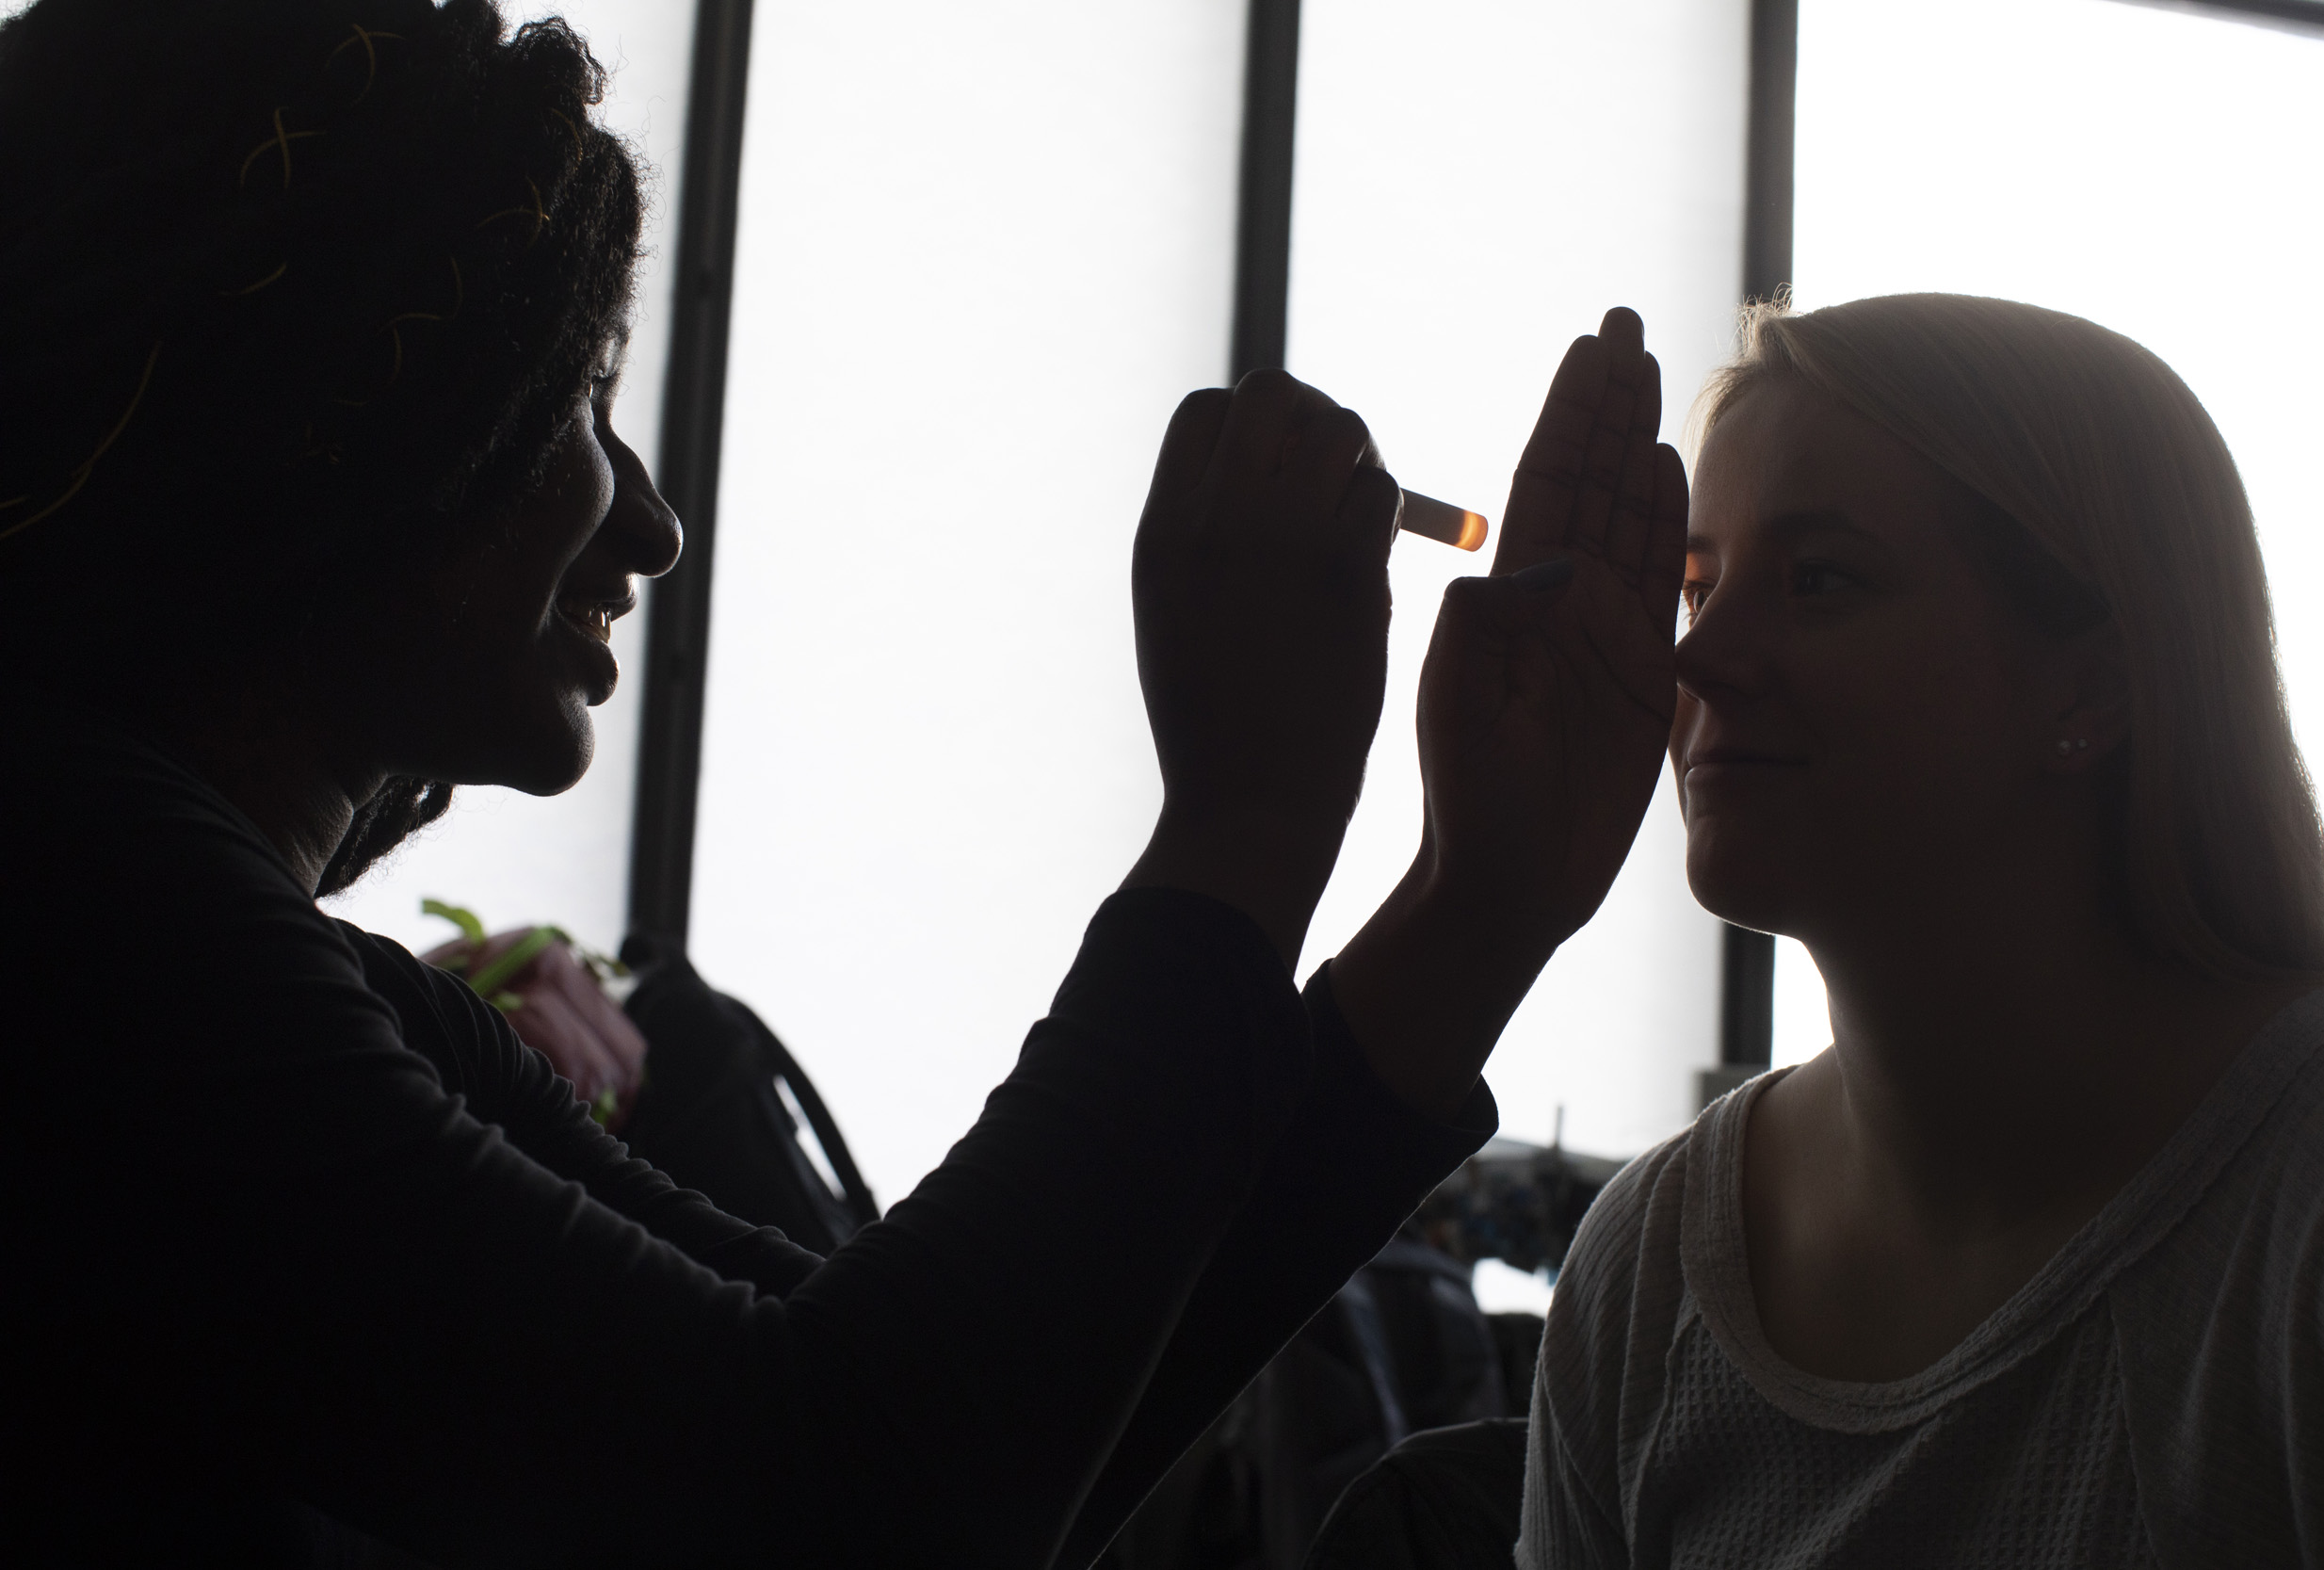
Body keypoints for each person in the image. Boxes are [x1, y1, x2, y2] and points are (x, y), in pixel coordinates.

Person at [0, 3, 1688, 1563]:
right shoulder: (87, 926)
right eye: (581, 395)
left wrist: (1475, 915)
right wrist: (1243, 825)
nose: (649, 524)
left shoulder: (220, 958)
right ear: (335, 407)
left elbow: (984, 1413)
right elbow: (843, 1502)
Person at [1519, 294, 2324, 1566]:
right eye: (1698, 589)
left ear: (2093, 683)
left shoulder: (2316, 1203)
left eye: (1820, 581)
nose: (1700, 663)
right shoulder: (1649, 1269)